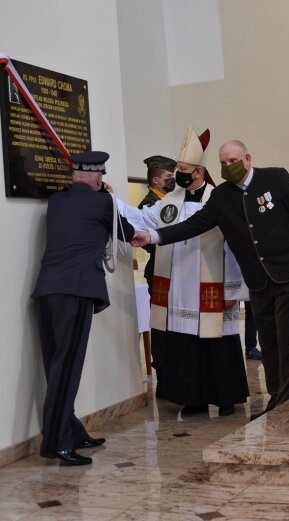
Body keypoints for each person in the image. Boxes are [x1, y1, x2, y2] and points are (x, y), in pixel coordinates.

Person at [131, 139, 289, 421]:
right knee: (270, 342)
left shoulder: (276, 178)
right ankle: (278, 397)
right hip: (259, 282)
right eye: (223, 163)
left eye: (233, 161)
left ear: (247, 159)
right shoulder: (222, 196)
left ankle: (284, 401)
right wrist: (153, 236)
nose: (228, 166)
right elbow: (193, 225)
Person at [121, 128, 249, 417]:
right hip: (180, 286)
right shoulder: (171, 201)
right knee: (185, 344)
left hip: (211, 282)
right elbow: (143, 218)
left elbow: (236, 246)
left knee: (216, 341)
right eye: (177, 169)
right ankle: (194, 398)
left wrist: (234, 288)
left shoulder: (219, 199)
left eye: (183, 169)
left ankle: (225, 397)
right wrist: (110, 201)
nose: (178, 174)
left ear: (199, 171)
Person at [32, 151, 135, 465]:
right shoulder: (103, 202)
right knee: (69, 367)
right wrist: (111, 199)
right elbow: (127, 233)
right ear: (97, 177)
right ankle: (57, 443)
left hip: (48, 291)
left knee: (56, 366)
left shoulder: (56, 201)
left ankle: (71, 430)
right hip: (76, 291)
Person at [138, 155, 176, 292]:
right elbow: (146, 241)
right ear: (156, 180)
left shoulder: (172, 200)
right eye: (169, 176)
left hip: (177, 267)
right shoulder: (148, 205)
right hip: (159, 267)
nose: (173, 180)